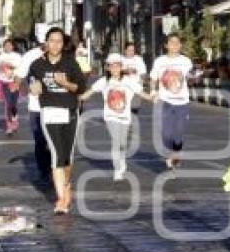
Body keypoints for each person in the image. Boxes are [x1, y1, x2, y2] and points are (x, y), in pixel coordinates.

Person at [26, 28, 87, 214]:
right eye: (52, 41)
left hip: (70, 111)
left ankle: (67, 185)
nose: (55, 45)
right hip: (50, 112)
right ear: (46, 42)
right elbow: (31, 82)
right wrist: (33, 87)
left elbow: (80, 88)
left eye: (59, 41)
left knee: (67, 156)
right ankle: (61, 199)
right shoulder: (37, 65)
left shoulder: (70, 63)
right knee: (56, 154)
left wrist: (65, 84)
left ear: (63, 43)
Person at [80, 53, 155, 181]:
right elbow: (90, 92)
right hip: (110, 116)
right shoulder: (104, 81)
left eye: (117, 66)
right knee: (116, 142)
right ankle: (117, 169)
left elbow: (140, 92)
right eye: (112, 66)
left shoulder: (128, 81)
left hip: (125, 116)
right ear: (108, 68)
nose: (115, 69)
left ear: (121, 67)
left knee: (123, 143)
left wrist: (151, 98)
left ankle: (122, 161)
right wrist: (79, 97)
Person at [150, 33, 193, 170]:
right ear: (166, 45)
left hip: (182, 101)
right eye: (171, 43)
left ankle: (176, 152)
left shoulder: (186, 61)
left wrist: (194, 77)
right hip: (165, 101)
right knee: (166, 133)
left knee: (179, 132)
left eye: (177, 43)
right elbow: (153, 78)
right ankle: (172, 153)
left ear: (180, 45)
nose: (174, 45)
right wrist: (153, 91)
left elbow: (190, 75)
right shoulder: (159, 61)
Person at [14, 43, 52, 184]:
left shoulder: (63, 56)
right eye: (47, 42)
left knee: (55, 140)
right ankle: (44, 170)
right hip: (36, 106)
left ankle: (56, 169)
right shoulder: (30, 56)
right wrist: (24, 88)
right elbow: (19, 77)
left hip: (57, 106)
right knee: (40, 140)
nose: (50, 45)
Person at [0, 39, 23, 135]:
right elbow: (0, 67)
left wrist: (10, 66)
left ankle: (15, 120)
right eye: (6, 45)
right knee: (7, 104)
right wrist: (0, 70)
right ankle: (9, 126)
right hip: (4, 82)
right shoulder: (0, 57)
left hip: (14, 82)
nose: (7, 47)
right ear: (4, 47)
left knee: (13, 104)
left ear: (13, 46)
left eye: (9, 45)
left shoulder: (17, 56)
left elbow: (20, 68)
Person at [122, 41, 148, 113]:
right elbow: (115, 73)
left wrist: (142, 81)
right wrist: (125, 71)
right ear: (125, 50)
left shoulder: (138, 59)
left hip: (136, 89)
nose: (131, 52)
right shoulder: (121, 60)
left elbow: (143, 73)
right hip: (124, 89)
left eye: (133, 50)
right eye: (129, 50)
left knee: (134, 109)